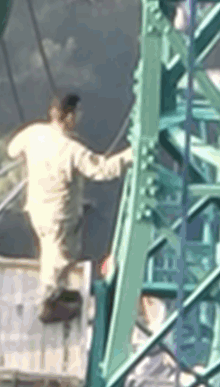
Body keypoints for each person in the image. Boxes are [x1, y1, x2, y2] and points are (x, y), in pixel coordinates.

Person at [7, 93, 132, 323]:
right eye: (77, 114)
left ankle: (57, 293)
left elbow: (12, 150)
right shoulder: (71, 150)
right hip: (61, 216)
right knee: (60, 260)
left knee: (50, 254)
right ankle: (48, 305)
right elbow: (102, 170)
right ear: (69, 116)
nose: (79, 118)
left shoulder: (34, 133)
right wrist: (132, 155)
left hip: (36, 209)